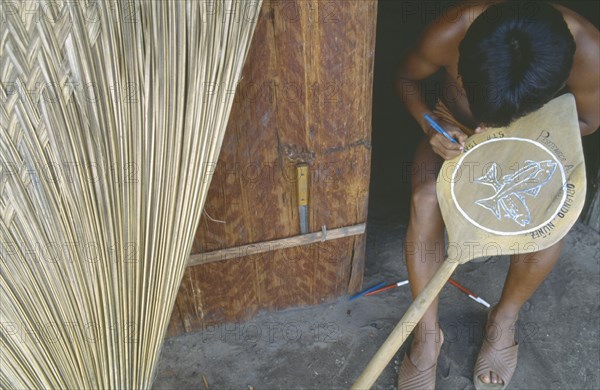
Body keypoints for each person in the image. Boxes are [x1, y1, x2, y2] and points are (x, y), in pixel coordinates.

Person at [395, 1, 599, 389]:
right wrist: (431, 126)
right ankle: (426, 335)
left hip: (535, 140)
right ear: (465, 58)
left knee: (549, 219)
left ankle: (503, 320)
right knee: (425, 201)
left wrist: (519, 135)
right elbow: (404, 77)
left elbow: (586, 122)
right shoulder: (452, 29)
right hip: (453, 129)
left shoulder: (590, 51)